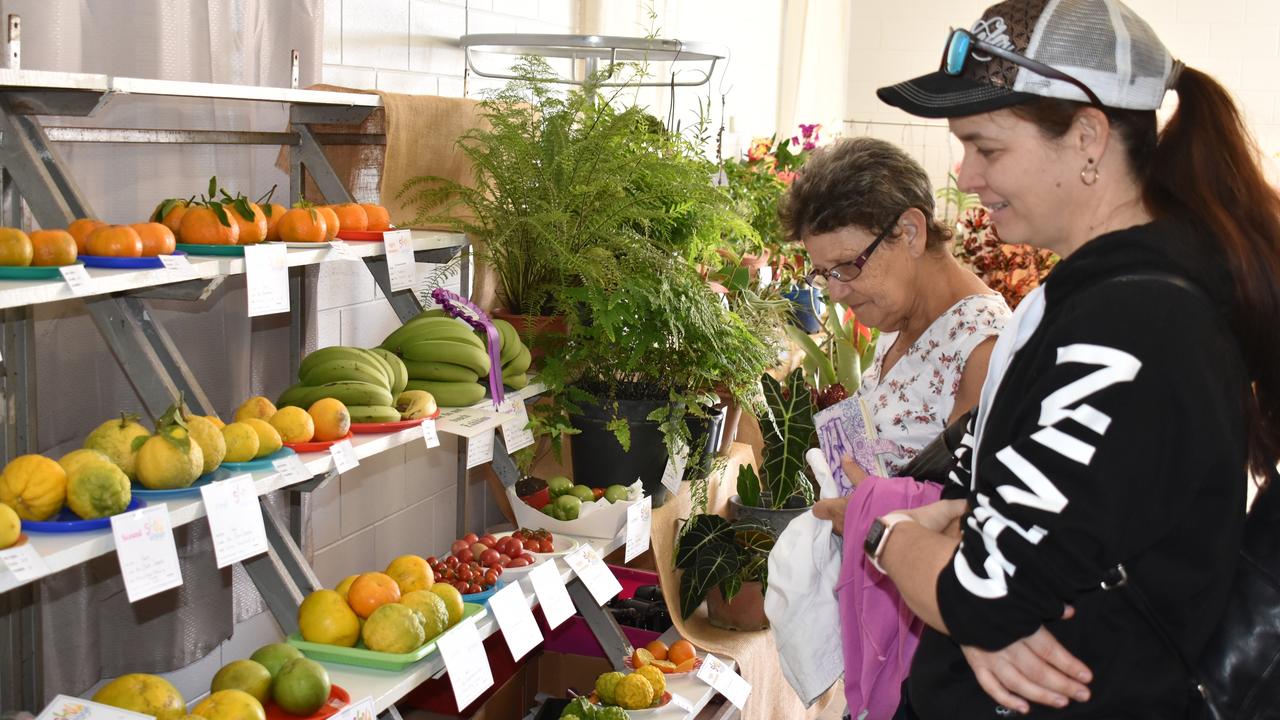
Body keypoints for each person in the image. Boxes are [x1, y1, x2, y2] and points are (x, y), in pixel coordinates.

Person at [848, 0, 1280, 717]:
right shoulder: (1092, 298)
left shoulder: (1134, 325)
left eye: (987, 148)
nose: (966, 175)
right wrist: (969, 587)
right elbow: (989, 535)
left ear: (1087, 137)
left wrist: (887, 536)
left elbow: (980, 590)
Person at [781, 136, 1009, 483]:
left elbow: (963, 513)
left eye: (846, 265)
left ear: (910, 233)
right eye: (825, 274)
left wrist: (862, 514)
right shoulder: (903, 320)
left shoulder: (981, 351)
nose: (837, 292)